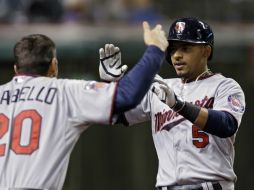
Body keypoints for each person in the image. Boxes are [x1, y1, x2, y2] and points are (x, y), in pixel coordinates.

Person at [0, 21, 168, 190]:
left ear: (16, 68)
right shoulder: (64, 92)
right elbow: (126, 96)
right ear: (54, 65)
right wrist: (155, 50)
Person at [99, 17, 246, 190]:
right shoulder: (162, 86)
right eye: (173, 49)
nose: (176, 55)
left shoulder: (225, 85)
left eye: (186, 48)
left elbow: (226, 124)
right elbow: (117, 115)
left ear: (206, 51)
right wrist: (113, 85)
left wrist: (179, 105)